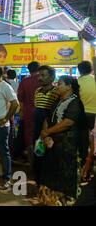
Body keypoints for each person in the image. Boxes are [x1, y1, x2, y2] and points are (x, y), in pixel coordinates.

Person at [38, 76, 86, 206]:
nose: (56, 86)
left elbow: (68, 122)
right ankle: (51, 201)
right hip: (52, 144)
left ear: (69, 87)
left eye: (59, 84)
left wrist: (48, 132)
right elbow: (48, 119)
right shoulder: (58, 101)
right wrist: (46, 135)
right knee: (51, 174)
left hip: (67, 146)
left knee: (65, 177)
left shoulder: (75, 103)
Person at [33, 65, 60, 183]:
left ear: (52, 77)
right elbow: (36, 107)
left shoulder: (56, 92)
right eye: (39, 75)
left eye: (43, 75)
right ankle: (38, 179)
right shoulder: (37, 91)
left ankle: (48, 180)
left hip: (50, 127)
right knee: (38, 151)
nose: (40, 78)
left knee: (50, 153)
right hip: (37, 126)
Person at [17, 61, 41, 156]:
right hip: (42, 112)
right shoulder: (42, 81)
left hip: (28, 113)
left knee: (29, 136)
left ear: (29, 70)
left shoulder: (24, 81)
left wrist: (22, 112)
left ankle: (31, 161)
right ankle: (40, 157)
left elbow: (20, 99)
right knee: (41, 133)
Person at [77, 61, 96, 163]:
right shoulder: (94, 80)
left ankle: (84, 159)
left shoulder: (77, 82)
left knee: (83, 137)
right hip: (95, 114)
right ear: (91, 69)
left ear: (80, 71)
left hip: (83, 114)